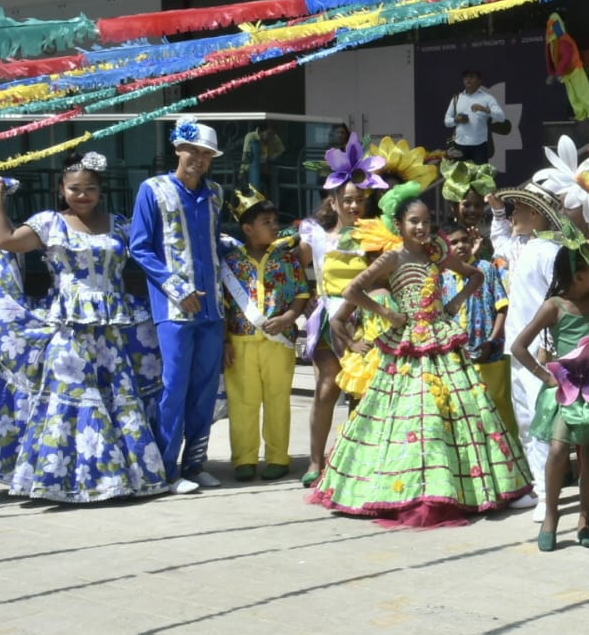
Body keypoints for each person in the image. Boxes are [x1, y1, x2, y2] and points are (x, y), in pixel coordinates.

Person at [0, 155, 169, 502]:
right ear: (61, 190)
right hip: (67, 327)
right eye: (75, 189)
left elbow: (155, 252)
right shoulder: (49, 223)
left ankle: (113, 480)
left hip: (113, 330)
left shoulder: (120, 224)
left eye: (90, 189)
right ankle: (64, 479)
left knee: (116, 400)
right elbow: (6, 240)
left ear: (101, 190)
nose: (83, 195)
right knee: (74, 398)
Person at [313, 186, 531, 526]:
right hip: (406, 345)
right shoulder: (392, 257)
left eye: (427, 221)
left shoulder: (435, 254)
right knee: (414, 418)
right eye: (414, 221)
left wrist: (455, 303)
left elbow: (475, 275)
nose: (421, 227)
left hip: (441, 337)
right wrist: (387, 315)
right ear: (399, 224)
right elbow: (353, 290)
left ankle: (467, 488)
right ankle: (407, 490)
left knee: (465, 412)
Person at [129, 117, 229, 494]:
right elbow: (139, 247)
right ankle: (167, 470)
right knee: (174, 387)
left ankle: (195, 463)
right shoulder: (152, 190)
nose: (199, 159)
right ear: (178, 149)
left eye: (207, 154)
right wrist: (176, 287)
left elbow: (214, 245)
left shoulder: (215, 193)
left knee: (205, 386)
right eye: (194, 151)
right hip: (173, 309)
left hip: (212, 308)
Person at [510, 241, 589, 550]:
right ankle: (551, 516)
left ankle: (585, 521)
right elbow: (519, 345)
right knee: (558, 450)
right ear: (579, 276)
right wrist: (545, 376)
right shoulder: (554, 306)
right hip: (566, 389)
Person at [220, 188, 308, 482]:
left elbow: (301, 294)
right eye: (266, 221)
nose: (274, 226)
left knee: (277, 399)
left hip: (278, 343)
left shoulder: (288, 258)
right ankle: (244, 459)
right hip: (241, 341)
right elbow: (224, 305)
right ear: (247, 228)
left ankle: (277, 457)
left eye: (274, 221)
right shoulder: (231, 262)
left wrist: (288, 317)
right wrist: (224, 342)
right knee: (242, 402)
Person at [489, 182, 566, 515]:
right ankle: (538, 486)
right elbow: (499, 240)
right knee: (525, 420)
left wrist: (549, 344)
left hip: (539, 350)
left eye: (516, 209)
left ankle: (549, 495)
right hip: (518, 348)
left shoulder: (551, 251)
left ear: (534, 214)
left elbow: (557, 300)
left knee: (541, 420)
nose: (512, 215)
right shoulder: (525, 247)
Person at [298, 177, 377, 486]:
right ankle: (315, 460)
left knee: (361, 392)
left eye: (359, 199)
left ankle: (354, 458)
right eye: (346, 200)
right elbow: (292, 264)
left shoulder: (373, 235)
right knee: (327, 388)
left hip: (365, 319)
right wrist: (302, 304)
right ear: (333, 202)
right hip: (328, 316)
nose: (353, 205)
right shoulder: (316, 235)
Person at [442, 221, 514, 438]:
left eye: (465, 240)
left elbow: (502, 308)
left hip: (489, 353)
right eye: (453, 242)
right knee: (467, 411)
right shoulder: (442, 276)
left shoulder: (486, 268)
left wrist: (492, 341)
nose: (461, 246)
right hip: (458, 357)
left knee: (498, 406)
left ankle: (512, 458)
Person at [444, 70, 507, 164]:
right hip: (460, 146)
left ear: (479, 80)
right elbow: (447, 121)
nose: (468, 79)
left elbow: (501, 117)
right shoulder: (457, 98)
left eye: (472, 77)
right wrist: (456, 120)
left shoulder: (487, 98)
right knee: (460, 177)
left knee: (480, 177)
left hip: (479, 147)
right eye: (466, 77)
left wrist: (485, 110)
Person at [239, 121, 284, 193]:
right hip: (251, 168)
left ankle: (271, 200)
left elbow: (281, 151)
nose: (270, 137)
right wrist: (242, 172)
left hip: (268, 168)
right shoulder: (251, 136)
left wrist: (272, 157)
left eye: (272, 134)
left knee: (274, 178)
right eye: (268, 134)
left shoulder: (274, 137)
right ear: (260, 131)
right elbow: (246, 156)